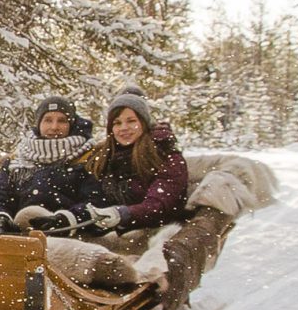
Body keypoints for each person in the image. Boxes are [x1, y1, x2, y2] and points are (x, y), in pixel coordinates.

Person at [22, 83, 189, 237]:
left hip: (156, 232)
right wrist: (69, 218)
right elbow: (93, 199)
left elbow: (159, 205)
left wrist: (122, 214)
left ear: (144, 123)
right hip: (111, 231)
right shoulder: (104, 156)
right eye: (117, 123)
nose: (124, 128)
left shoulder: (167, 157)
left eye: (131, 121)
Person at [0, 95, 94, 233]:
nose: (54, 127)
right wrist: (0, 218)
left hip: (65, 232)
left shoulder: (85, 158)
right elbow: (1, 199)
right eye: (48, 120)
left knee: (30, 214)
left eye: (61, 121)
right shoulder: (17, 160)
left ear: (71, 125)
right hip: (16, 231)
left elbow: (93, 201)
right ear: (39, 124)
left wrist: (65, 219)